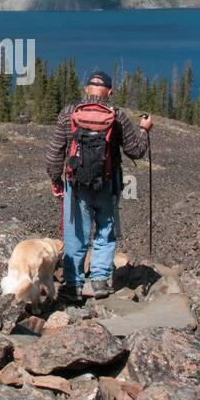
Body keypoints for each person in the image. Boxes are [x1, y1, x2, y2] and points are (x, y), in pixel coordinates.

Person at [43, 69, 152, 301]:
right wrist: (144, 129)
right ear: (109, 92)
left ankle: (73, 285)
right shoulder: (118, 117)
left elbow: (54, 154)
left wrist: (55, 180)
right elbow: (136, 151)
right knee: (105, 230)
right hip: (107, 183)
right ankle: (100, 281)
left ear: (86, 89)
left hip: (76, 185)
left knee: (76, 234)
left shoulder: (68, 114)